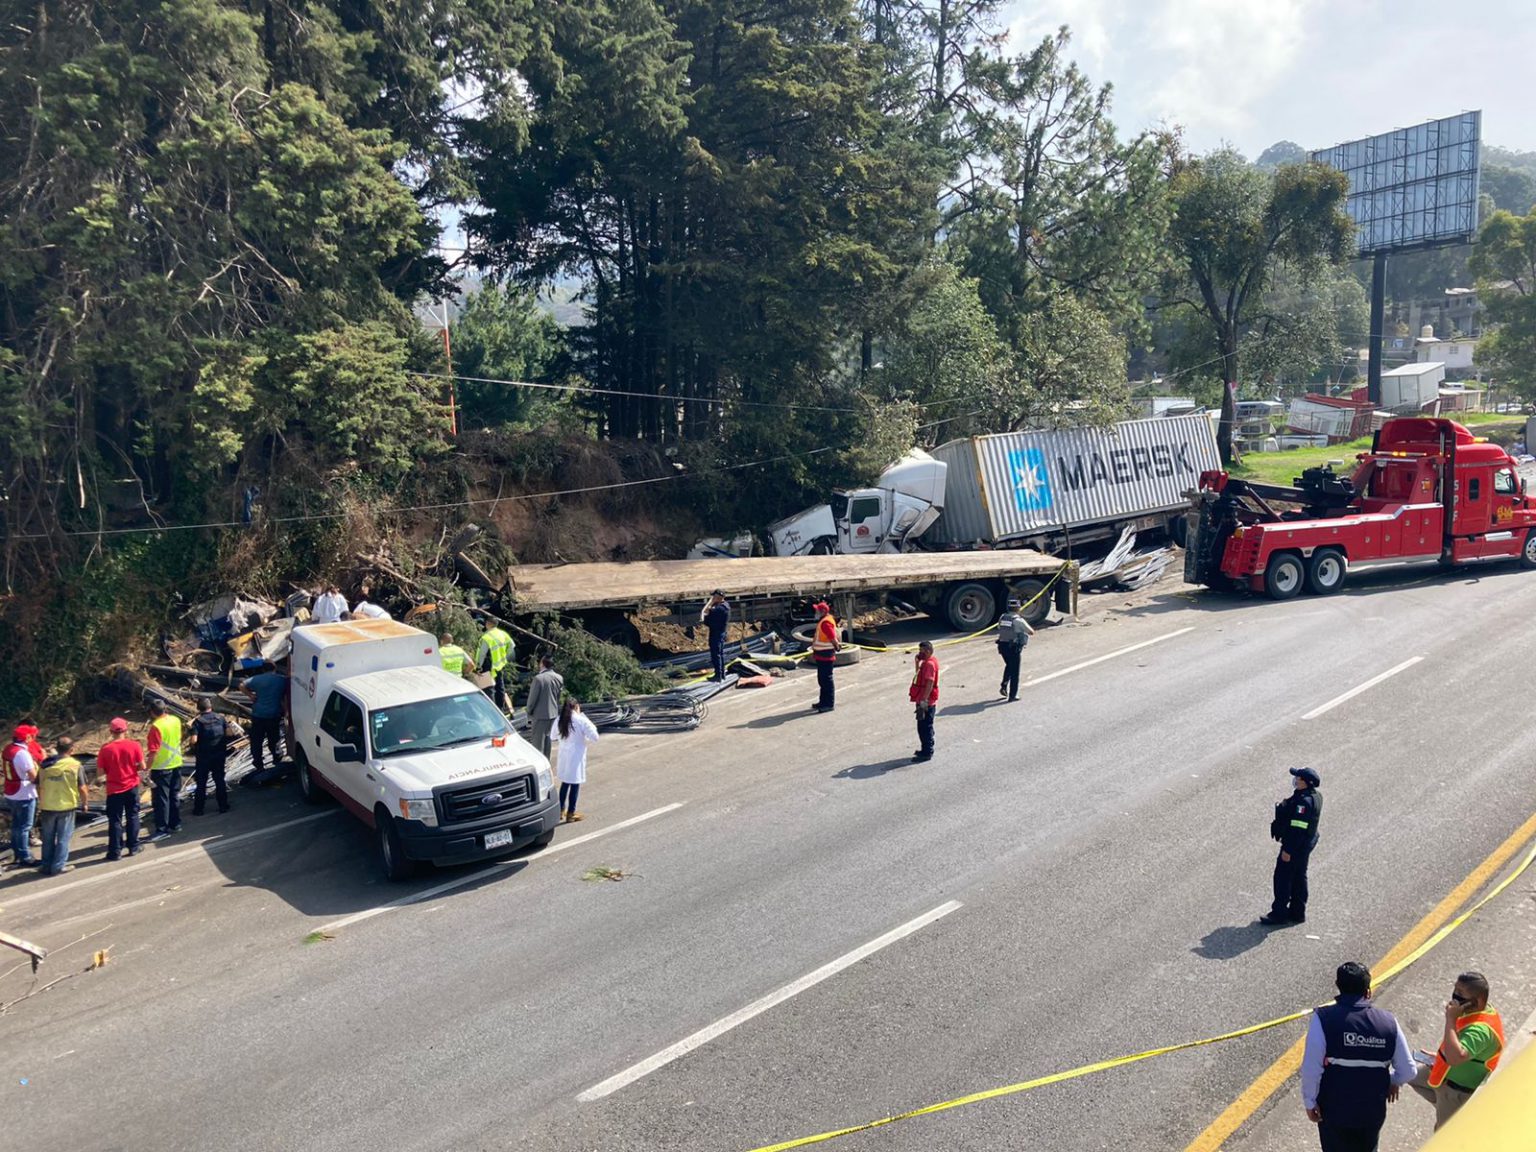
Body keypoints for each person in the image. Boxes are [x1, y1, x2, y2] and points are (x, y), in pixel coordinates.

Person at [1300, 961, 1416, 1152]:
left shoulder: (1323, 1018)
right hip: (1371, 1112)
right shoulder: (1388, 1022)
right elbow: (1408, 1071)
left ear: (1338, 986)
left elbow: (1312, 1068)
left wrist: (1310, 1101)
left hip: (1334, 1110)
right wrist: (1391, 1081)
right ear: (1368, 991)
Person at [1409, 971, 1504, 1129]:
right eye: (1455, 989)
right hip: (1443, 1072)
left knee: (1442, 1134)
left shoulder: (1481, 1032)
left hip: (1456, 1091)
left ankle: (1450, 1110)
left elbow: (1455, 1058)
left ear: (1477, 1001)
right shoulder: (1476, 1011)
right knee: (1407, 1074)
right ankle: (1442, 1105)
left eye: (1460, 993)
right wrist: (1441, 1056)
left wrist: (1451, 1019)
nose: (1454, 996)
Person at [1261, 766, 1322, 926]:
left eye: (1299, 778)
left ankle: (1279, 914)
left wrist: (1288, 850)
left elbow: (1297, 830)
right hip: (1306, 844)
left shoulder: (1303, 803)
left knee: (1283, 878)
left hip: (1295, 847)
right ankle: (1297, 912)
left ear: (1306, 782)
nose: (1295, 780)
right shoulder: (1314, 796)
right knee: (1299, 877)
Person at [36, 736, 88, 875]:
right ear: (71, 749)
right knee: (63, 837)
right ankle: (58, 866)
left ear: (57, 749)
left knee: (47, 837)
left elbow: (38, 785)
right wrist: (85, 803)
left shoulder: (44, 764)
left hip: (47, 805)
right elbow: (82, 788)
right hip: (66, 805)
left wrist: (42, 800)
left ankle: (46, 865)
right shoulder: (75, 765)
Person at [97, 718, 147, 860]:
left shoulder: (105, 749)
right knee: (133, 815)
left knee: (115, 820)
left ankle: (115, 851)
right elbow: (142, 767)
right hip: (131, 785)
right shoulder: (135, 745)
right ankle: (133, 846)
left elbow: (101, 775)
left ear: (111, 732)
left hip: (114, 789)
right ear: (126, 730)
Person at [242, 661, 289, 778]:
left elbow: (241, 685)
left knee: (257, 740)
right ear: (275, 668)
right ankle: (277, 760)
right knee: (274, 738)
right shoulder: (281, 680)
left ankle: (258, 764)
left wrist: (250, 695)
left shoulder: (256, 679)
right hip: (274, 715)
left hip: (258, 715)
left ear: (262, 669)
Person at [554, 698, 598, 823]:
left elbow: (552, 736)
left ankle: (560, 810)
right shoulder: (581, 720)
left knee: (565, 783)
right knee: (575, 784)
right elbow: (595, 737)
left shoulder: (559, 720)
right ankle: (571, 813)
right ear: (577, 706)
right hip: (576, 757)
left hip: (564, 757)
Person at [145, 699, 185, 840]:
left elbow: (153, 752)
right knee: (174, 796)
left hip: (161, 768)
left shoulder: (156, 727)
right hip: (176, 763)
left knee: (161, 800)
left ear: (151, 712)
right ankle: (175, 824)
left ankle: (162, 830)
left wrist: (146, 769)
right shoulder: (175, 720)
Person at [3, 725, 41, 867]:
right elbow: (33, 776)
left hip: (11, 792)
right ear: (27, 738)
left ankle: (18, 853)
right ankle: (26, 856)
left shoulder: (9, 749)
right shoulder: (22, 753)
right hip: (24, 792)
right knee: (25, 826)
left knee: (16, 826)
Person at [189, 697, 232, 816]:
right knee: (219, 780)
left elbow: (193, 740)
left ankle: (199, 809)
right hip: (219, 754)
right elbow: (229, 733)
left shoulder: (198, 722)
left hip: (204, 757)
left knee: (201, 783)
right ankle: (223, 806)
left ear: (198, 708)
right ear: (210, 707)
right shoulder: (221, 718)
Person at [996, 597, 1035, 702]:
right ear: (1019, 608)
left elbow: (999, 628)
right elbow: (1031, 631)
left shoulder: (1003, 617)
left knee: (1009, 665)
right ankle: (1013, 695)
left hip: (1002, 647)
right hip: (1013, 648)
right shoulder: (1018, 620)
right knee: (1015, 672)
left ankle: (1004, 685)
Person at [525, 656, 564, 761]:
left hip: (540, 715)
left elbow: (532, 699)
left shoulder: (539, 678)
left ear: (542, 664)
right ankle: (547, 763)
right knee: (548, 742)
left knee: (538, 744)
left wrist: (528, 711)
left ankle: (539, 765)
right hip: (553, 714)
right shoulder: (559, 678)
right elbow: (558, 697)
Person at [475, 621, 515, 713]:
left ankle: (493, 711)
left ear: (488, 624)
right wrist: (505, 656)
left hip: (489, 665)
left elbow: (481, 654)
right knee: (500, 687)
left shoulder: (486, 637)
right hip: (499, 665)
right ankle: (500, 708)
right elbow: (512, 645)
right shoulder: (503, 634)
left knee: (489, 689)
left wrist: (478, 667)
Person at [910, 641, 940, 762]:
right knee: (924, 726)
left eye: (921, 651)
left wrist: (924, 701)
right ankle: (925, 749)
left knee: (924, 727)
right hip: (924, 698)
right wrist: (917, 663)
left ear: (928, 651)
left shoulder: (929, 665)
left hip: (926, 701)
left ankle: (927, 752)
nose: (919, 653)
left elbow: (929, 682)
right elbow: (918, 675)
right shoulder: (927, 662)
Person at [809, 601, 841, 713]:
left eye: (817, 610)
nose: (815, 612)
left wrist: (837, 646)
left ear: (822, 611)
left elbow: (832, 637)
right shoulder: (825, 620)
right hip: (821, 655)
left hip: (826, 655)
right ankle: (822, 702)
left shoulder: (825, 623)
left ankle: (828, 704)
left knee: (826, 680)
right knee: (822, 680)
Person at [701, 590, 730, 682]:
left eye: (714, 597)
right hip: (720, 633)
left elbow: (706, 619)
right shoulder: (726, 605)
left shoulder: (719, 609)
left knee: (716, 655)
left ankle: (718, 676)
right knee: (720, 654)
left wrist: (710, 605)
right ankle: (721, 674)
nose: (712, 598)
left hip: (716, 633)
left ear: (719, 597)